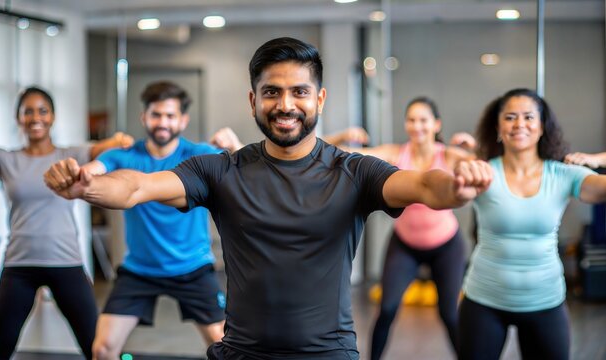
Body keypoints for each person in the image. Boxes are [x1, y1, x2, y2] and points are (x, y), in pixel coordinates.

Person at [44, 37, 492, 360]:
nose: (285, 104)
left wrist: (457, 187)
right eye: (271, 92)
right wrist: (85, 186)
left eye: (299, 92)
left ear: (319, 98)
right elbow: (138, 185)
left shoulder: (352, 170)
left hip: (328, 354)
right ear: (252, 100)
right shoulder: (220, 170)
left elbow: (421, 185)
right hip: (242, 352)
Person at [71, 80, 242, 359]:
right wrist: (79, 176)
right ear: (144, 117)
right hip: (140, 269)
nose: (163, 122)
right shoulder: (123, 156)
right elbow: (92, 172)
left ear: (183, 120)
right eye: (156, 114)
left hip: (193, 267)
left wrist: (234, 146)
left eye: (170, 115)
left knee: (224, 345)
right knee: (102, 349)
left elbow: (249, 168)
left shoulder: (198, 155)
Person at [0, 86, 133, 360]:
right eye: (28, 111)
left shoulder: (71, 155)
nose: (36, 117)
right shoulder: (6, 159)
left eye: (42, 110)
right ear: (18, 118)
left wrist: (118, 139)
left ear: (53, 117)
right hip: (19, 265)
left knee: (96, 347)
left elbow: (105, 147)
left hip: (66, 262)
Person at [459, 88, 606, 360]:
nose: (519, 124)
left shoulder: (564, 174)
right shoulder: (483, 172)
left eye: (528, 117)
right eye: (510, 117)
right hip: (484, 301)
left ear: (542, 127)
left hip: (546, 302)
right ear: (498, 127)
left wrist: (598, 160)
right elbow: (448, 191)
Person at [325, 97, 475, 359]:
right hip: (405, 244)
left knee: (450, 314)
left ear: (436, 124)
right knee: (388, 309)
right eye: (411, 120)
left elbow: (488, 163)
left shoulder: (448, 155)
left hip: (446, 246)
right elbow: (343, 155)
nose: (417, 126)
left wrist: (475, 147)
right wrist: (343, 135)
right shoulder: (396, 153)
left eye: (423, 120)